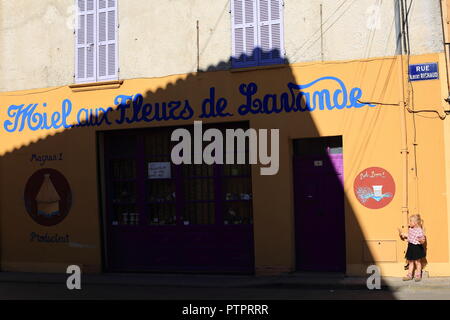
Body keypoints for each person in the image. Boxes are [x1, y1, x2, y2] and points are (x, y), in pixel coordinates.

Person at [398, 214, 426, 282]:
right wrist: (402, 234)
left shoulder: (419, 230)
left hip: (417, 247)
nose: (409, 223)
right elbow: (409, 236)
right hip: (411, 247)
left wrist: (421, 240)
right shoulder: (410, 229)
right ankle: (409, 275)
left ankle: (418, 275)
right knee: (410, 262)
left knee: (417, 262)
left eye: (410, 221)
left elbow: (422, 239)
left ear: (415, 223)